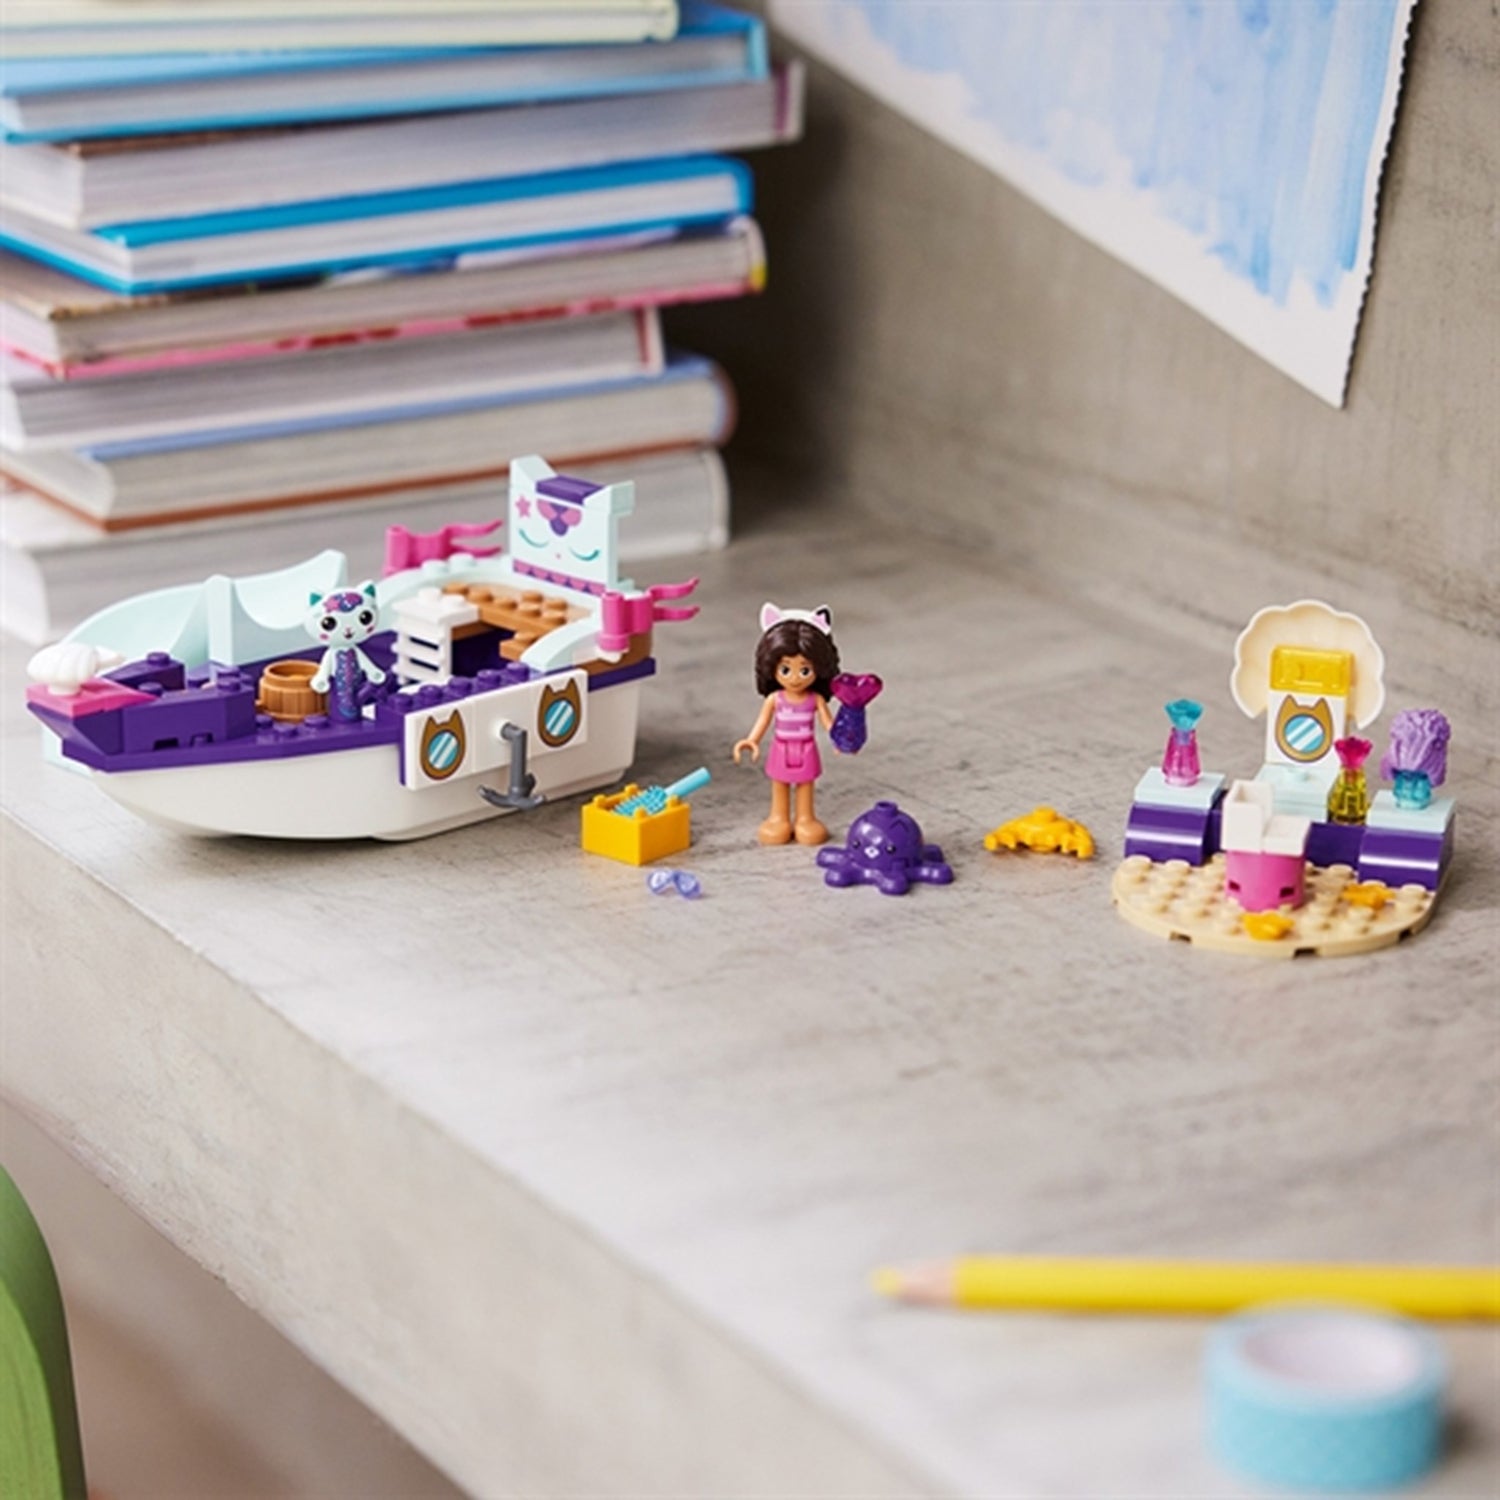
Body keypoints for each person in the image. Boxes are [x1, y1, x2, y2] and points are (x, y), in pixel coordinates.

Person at [733, 603, 842, 846]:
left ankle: (805, 818)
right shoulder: (775, 699)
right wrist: (752, 740)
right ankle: (778, 817)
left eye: (804, 670)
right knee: (779, 784)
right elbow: (763, 720)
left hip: (806, 748)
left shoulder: (815, 699)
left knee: (805, 785)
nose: (794, 678)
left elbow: (828, 723)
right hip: (781, 748)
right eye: (785, 669)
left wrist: (840, 739)